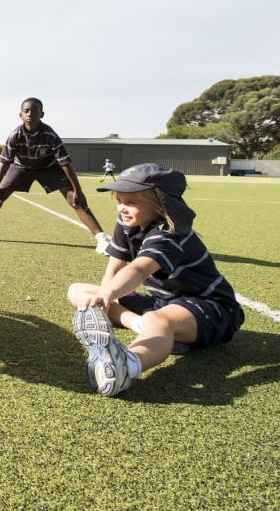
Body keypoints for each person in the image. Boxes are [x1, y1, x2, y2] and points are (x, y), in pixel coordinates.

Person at [67, 164, 244, 396]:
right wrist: (104, 296)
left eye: (131, 202)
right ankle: (142, 326)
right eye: (119, 200)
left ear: (160, 203)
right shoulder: (126, 223)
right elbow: (115, 265)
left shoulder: (169, 233)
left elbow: (139, 269)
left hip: (212, 309)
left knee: (158, 320)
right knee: (78, 291)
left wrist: (108, 295)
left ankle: (126, 365)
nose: (122, 208)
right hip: (164, 302)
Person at [0, 97, 111, 254]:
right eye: (26, 111)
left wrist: (78, 190)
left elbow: (65, 163)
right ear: (20, 115)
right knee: (0, 195)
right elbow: (4, 162)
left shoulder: (50, 135)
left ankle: (102, 239)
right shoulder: (15, 135)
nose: (30, 113)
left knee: (74, 199)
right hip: (22, 166)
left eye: (34, 110)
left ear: (41, 114)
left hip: (48, 167)